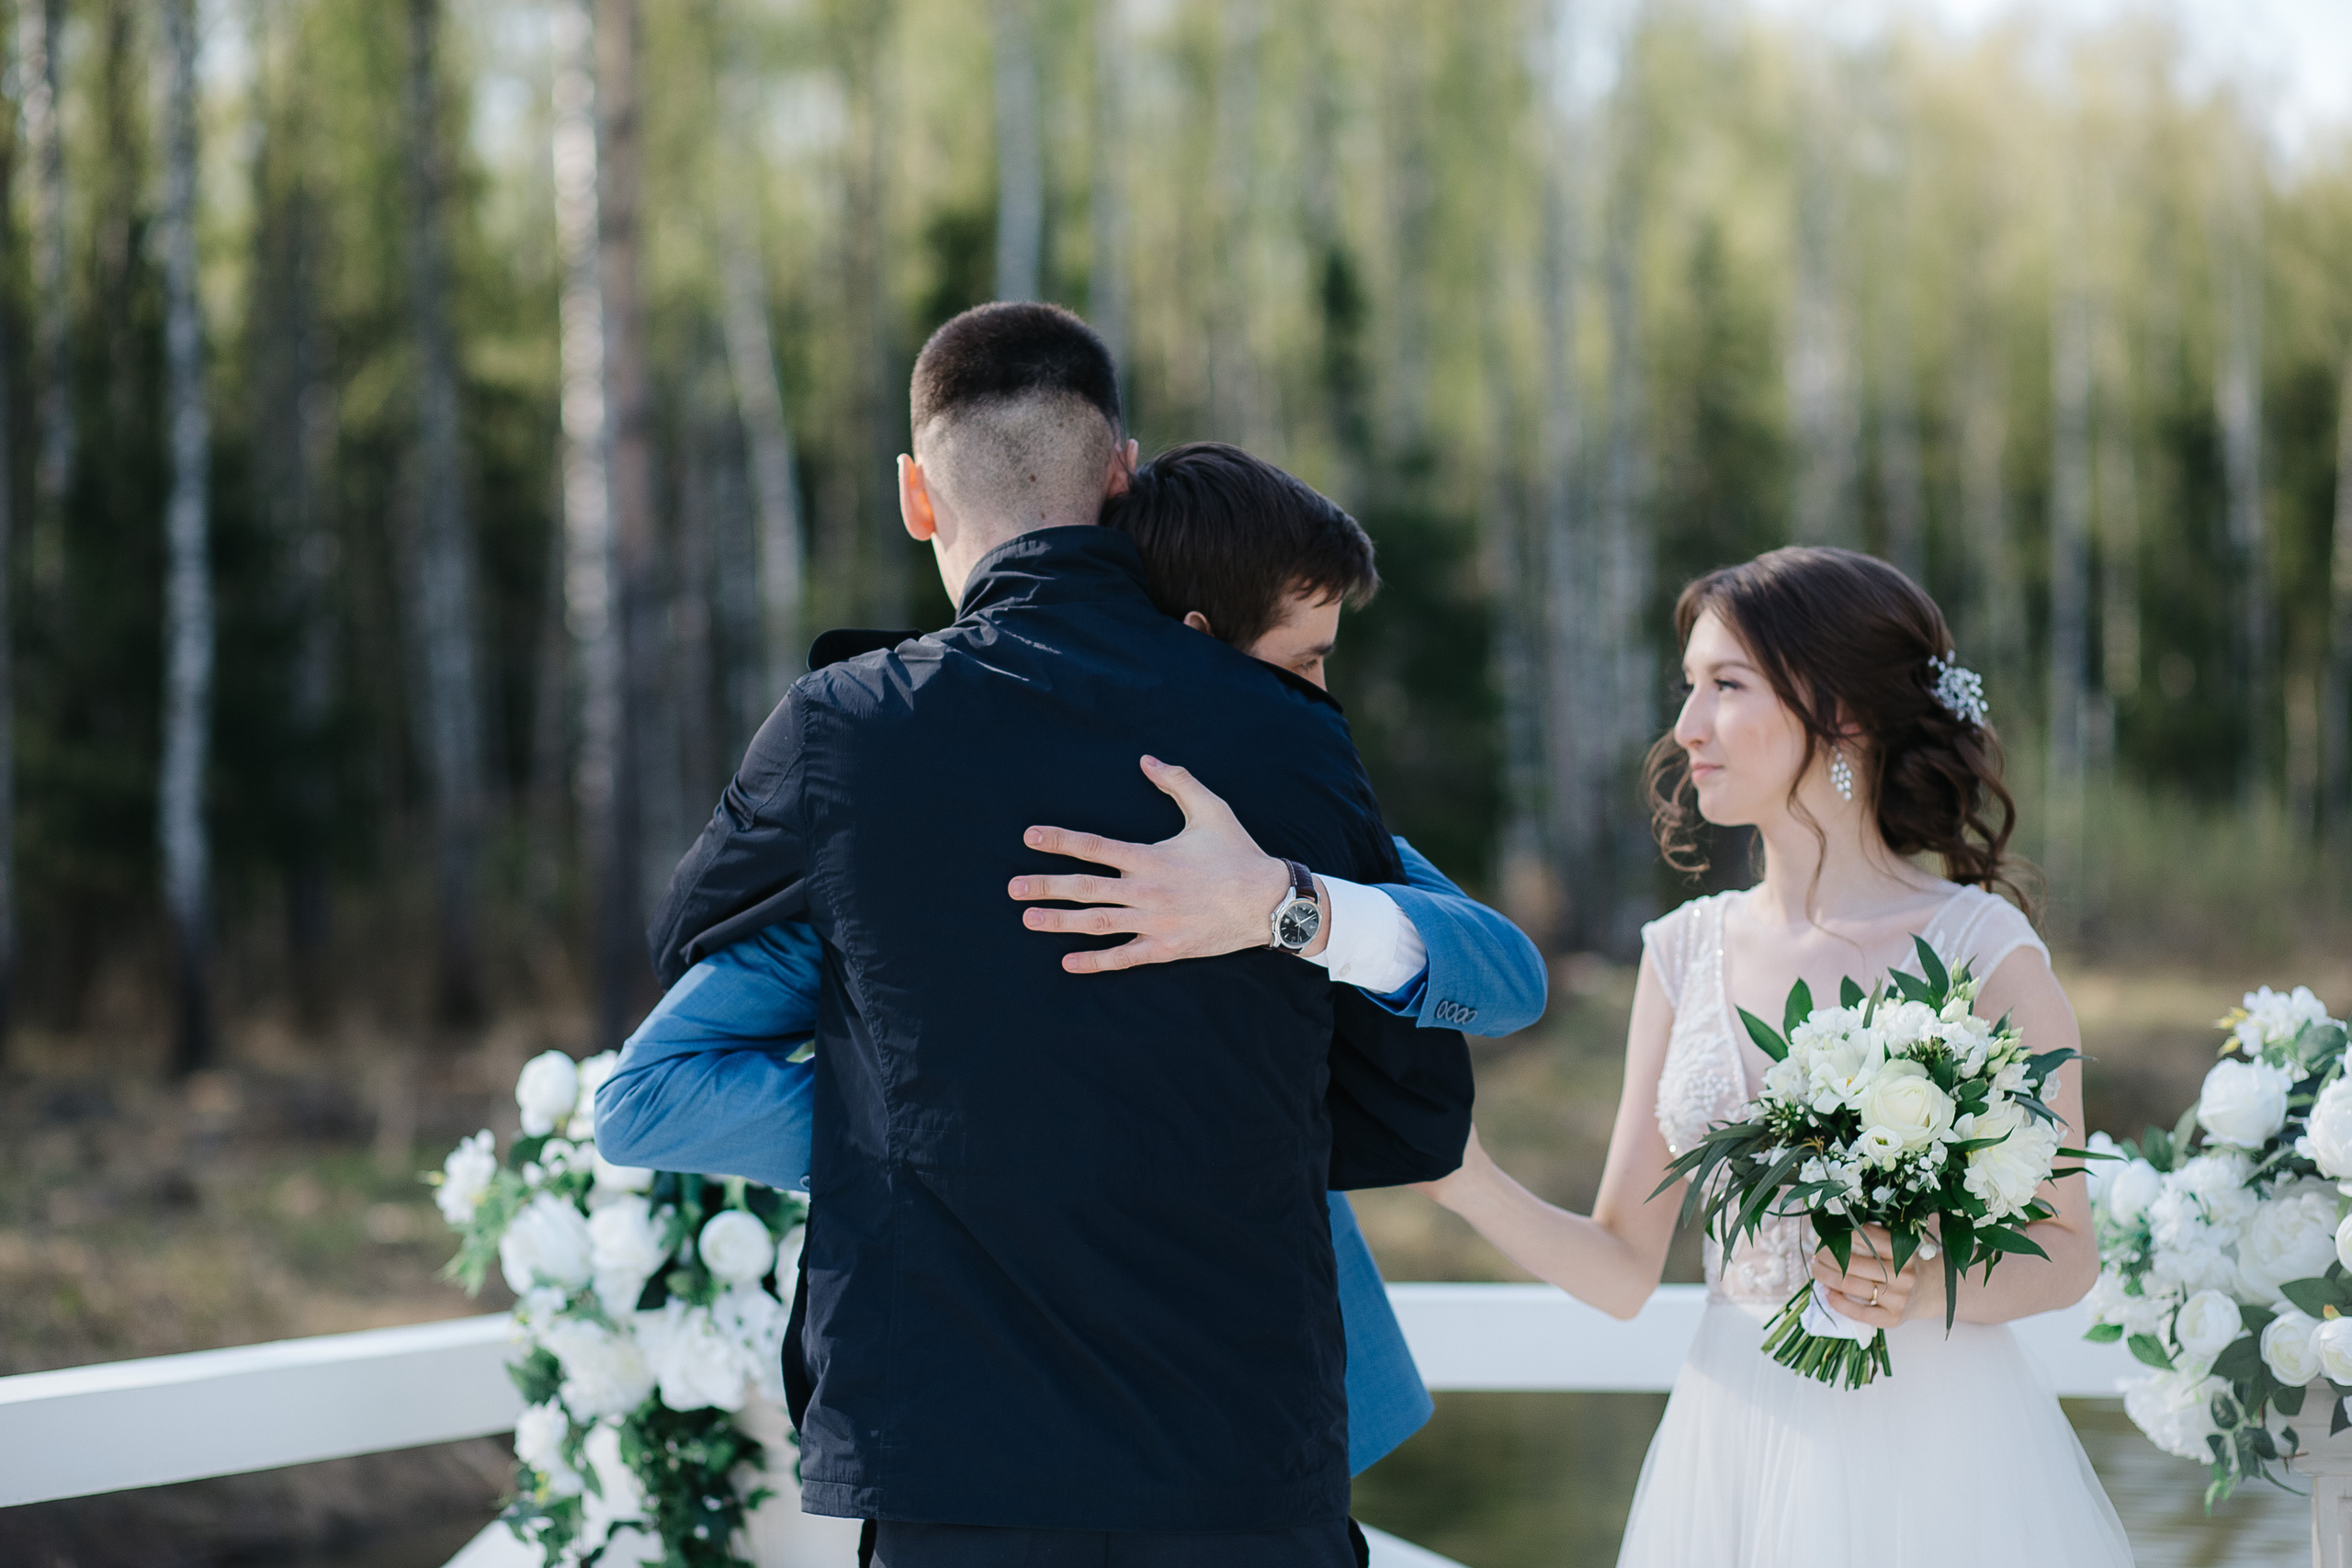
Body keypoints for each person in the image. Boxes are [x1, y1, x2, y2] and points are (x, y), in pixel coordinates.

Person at [633, 303, 1475, 1568]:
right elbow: (1413, 1097)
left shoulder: (843, 731)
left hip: (958, 1463)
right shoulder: (1288, 730)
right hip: (1246, 1459)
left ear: (916, 495)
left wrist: (922, 1090)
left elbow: (693, 938)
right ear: (1120, 472)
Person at [1416, 547, 2132, 1567]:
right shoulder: (1681, 953)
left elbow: (2067, 1251)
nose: (1685, 726)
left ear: (1841, 714)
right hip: (1731, 1444)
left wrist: (1918, 1281)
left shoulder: (1986, 953)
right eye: (1688, 686)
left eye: (1725, 685)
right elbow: (1623, 1268)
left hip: (1932, 1453)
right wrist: (1463, 1179)